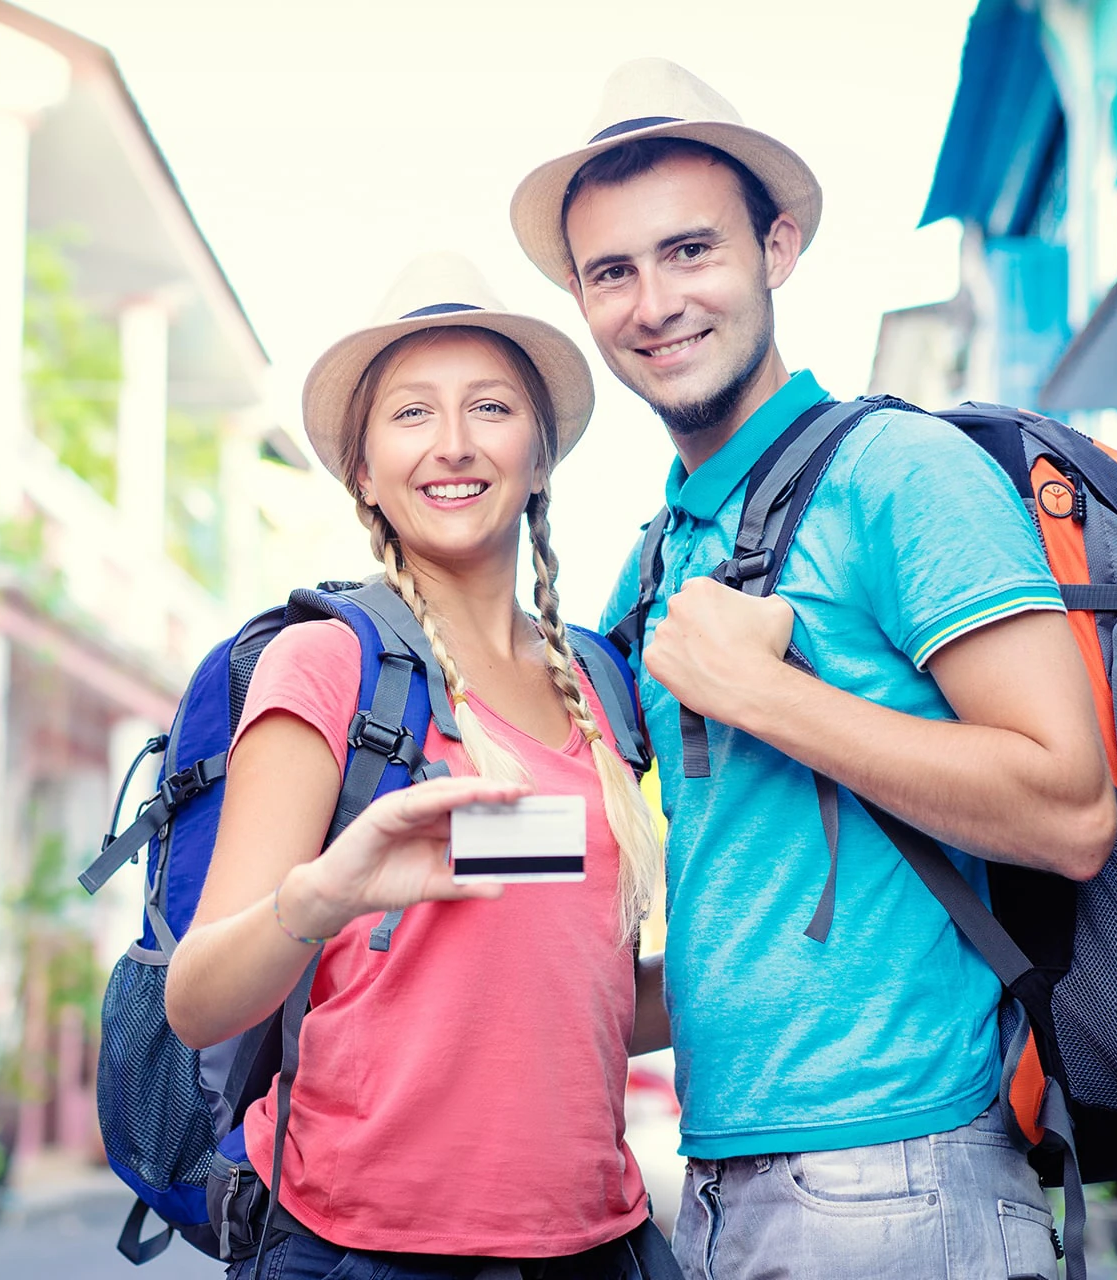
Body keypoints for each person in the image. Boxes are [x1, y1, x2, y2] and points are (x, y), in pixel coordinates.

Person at [508, 59, 1117, 1278]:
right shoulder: (662, 553)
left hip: (900, 1177)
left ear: (777, 247)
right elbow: (747, 925)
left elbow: (1071, 807)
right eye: (612, 271)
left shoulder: (898, 472)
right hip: (732, 1175)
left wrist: (773, 697)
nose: (655, 301)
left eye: (691, 251)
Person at [165, 252, 673, 1280]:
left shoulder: (606, 688)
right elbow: (198, 999)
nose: (452, 444)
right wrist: (323, 896)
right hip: (359, 1249)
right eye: (410, 414)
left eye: (489, 407)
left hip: (591, 1245)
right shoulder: (331, 666)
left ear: (538, 454)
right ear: (363, 470)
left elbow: (573, 998)